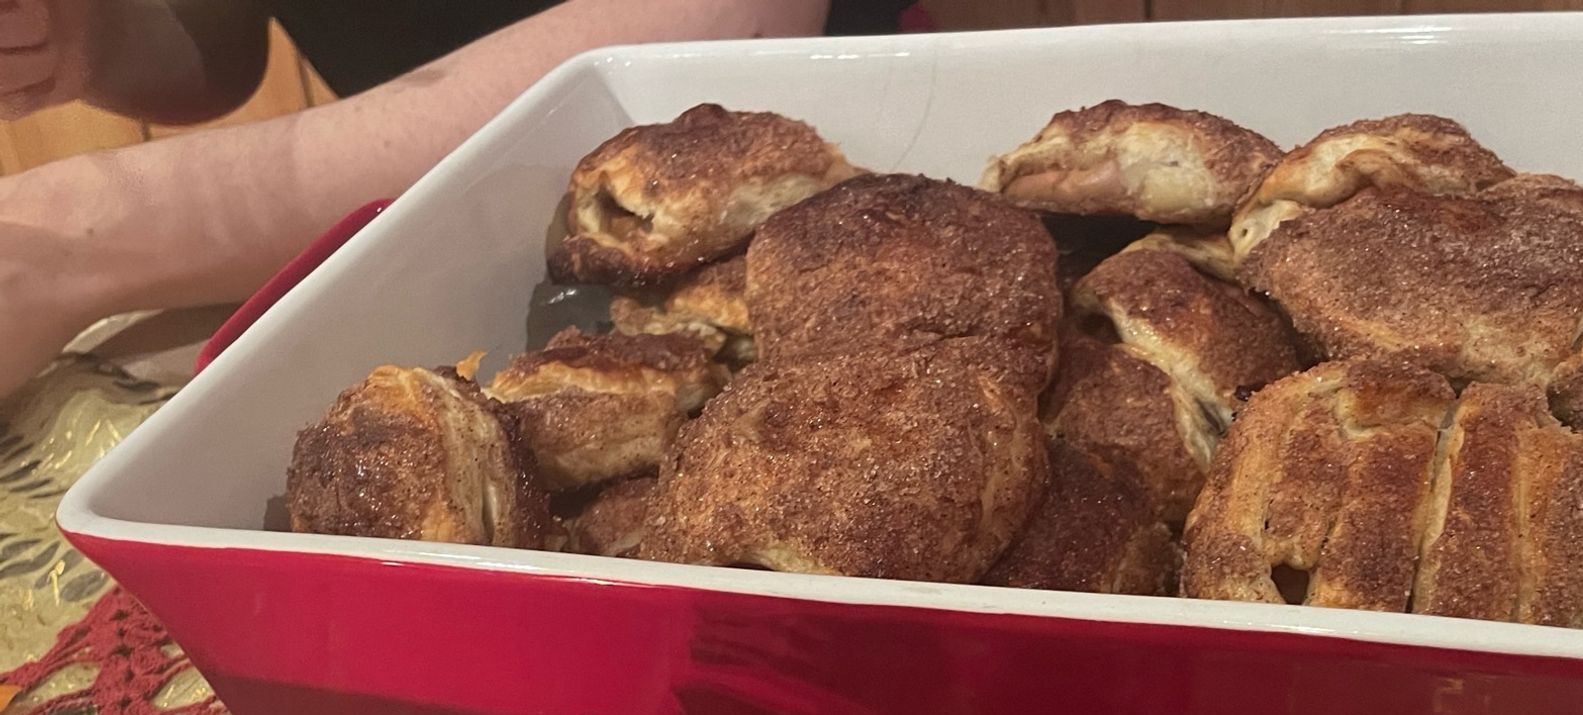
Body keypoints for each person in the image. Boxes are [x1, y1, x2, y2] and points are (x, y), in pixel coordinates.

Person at [0, 0, 916, 396]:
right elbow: (217, 40)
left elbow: (720, 28)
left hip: (844, 221)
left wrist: (75, 239)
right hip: (411, 268)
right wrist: (93, 36)